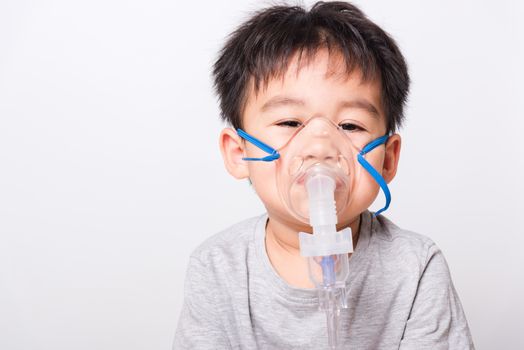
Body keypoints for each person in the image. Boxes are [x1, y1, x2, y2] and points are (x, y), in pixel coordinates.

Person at [173, 2, 474, 349]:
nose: (320, 145)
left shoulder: (416, 269)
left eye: (350, 125)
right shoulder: (216, 269)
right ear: (240, 152)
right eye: (290, 122)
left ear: (388, 159)